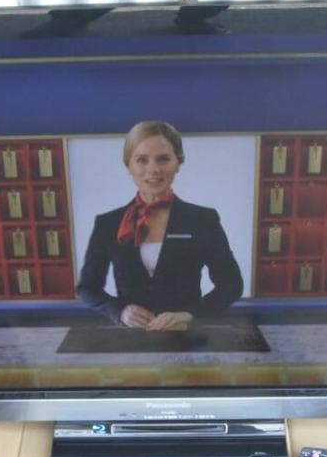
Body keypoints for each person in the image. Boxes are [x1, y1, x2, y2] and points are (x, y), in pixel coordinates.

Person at [77, 121, 243, 329]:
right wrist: (120, 311)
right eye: (142, 160)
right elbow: (87, 288)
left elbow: (231, 284)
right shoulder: (107, 224)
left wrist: (191, 314)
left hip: (187, 336)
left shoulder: (203, 220)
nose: (153, 169)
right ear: (128, 165)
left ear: (178, 163)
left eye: (163, 159)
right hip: (131, 338)